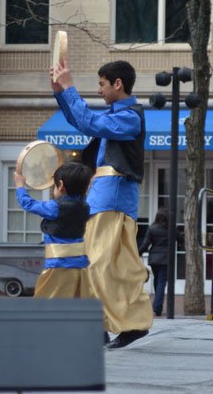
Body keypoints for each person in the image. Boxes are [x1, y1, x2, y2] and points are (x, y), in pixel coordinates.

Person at [51, 59, 152, 348]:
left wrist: (69, 87)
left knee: (97, 264)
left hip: (112, 199)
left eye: (101, 84)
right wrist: (61, 91)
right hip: (108, 198)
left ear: (117, 84)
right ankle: (111, 326)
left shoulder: (129, 117)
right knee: (113, 267)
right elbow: (80, 120)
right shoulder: (117, 117)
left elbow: (88, 121)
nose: (99, 90)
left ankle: (114, 325)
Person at [14, 162, 93, 298]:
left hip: (58, 266)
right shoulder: (86, 206)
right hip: (81, 265)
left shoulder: (54, 207)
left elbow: (28, 204)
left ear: (61, 185)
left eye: (54, 185)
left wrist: (20, 185)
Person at [139, 207, 177, 317]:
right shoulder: (171, 229)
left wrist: (138, 253)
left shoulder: (152, 228)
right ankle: (157, 307)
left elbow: (145, 245)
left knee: (157, 281)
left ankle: (158, 306)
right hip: (166, 259)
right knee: (161, 282)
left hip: (154, 259)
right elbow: (180, 239)